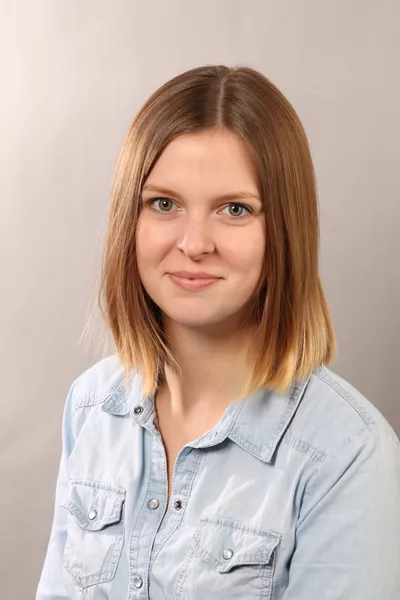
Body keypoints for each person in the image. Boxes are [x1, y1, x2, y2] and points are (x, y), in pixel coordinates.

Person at [36, 65, 400, 600]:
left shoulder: (348, 453)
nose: (194, 243)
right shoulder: (89, 406)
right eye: (164, 204)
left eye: (234, 209)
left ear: (284, 231)